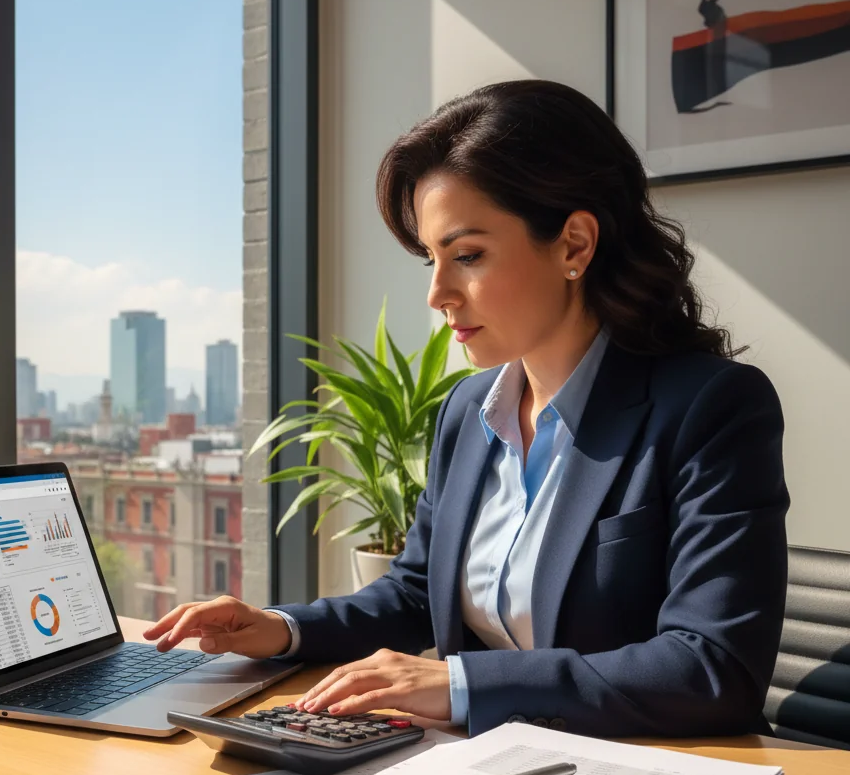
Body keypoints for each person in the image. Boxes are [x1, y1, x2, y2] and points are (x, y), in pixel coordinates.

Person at [144, 79, 789, 738]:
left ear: (574, 245)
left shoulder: (712, 408)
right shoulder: (469, 409)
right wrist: (279, 629)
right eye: (431, 259)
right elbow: (417, 593)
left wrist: (458, 684)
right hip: (472, 769)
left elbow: (714, 668)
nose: (437, 293)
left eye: (468, 256)